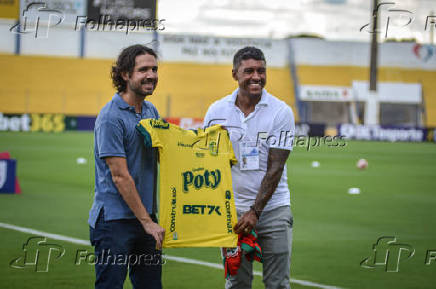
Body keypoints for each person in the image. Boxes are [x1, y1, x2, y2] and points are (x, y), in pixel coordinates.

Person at [204, 46, 295, 289]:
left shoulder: (281, 112)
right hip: (231, 213)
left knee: (277, 284)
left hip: (273, 211)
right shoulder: (216, 112)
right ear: (235, 74)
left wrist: (255, 212)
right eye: (249, 71)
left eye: (261, 71)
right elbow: (207, 162)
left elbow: (275, 168)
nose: (256, 76)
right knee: (236, 283)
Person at [88, 44, 165, 289]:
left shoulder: (151, 110)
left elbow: (167, 154)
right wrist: (146, 222)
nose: (151, 75)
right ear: (125, 74)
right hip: (114, 222)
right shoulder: (110, 117)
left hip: (146, 219)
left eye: (154, 68)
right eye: (143, 69)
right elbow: (120, 176)